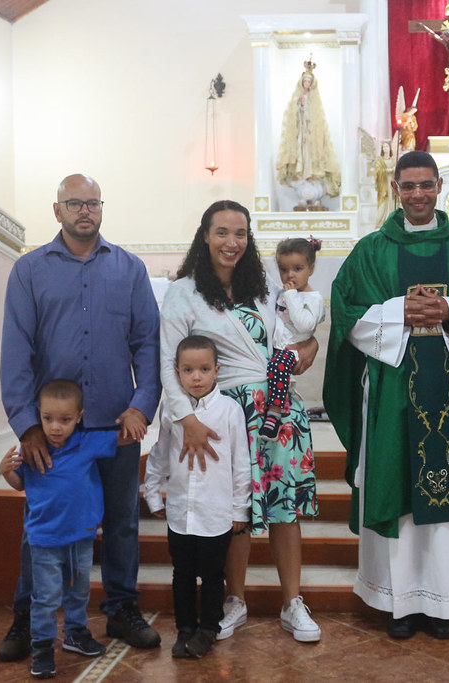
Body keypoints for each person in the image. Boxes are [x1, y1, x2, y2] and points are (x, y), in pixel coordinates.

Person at [323, 150, 449, 640]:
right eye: (409, 186)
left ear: (440, 185)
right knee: (395, 486)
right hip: (392, 393)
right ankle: (399, 603)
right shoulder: (371, 250)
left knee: (448, 492)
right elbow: (346, 309)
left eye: (426, 185)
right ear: (395, 188)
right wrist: (396, 314)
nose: (418, 194)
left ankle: (447, 603)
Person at [0, 173, 162, 662]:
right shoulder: (29, 271)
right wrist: (28, 426)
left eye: (92, 203)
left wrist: (142, 404)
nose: (84, 211)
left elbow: (147, 344)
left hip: (116, 424)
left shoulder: (129, 269)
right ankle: (27, 618)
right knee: (41, 526)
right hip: (55, 431)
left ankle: (121, 609)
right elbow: (15, 352)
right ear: (57, 211)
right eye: (74, 203)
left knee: (122, 522)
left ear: (101, 209)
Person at [159, 200, 321, 643]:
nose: (232, 242)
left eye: (241, 233)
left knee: (285, 508)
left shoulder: (265, 286)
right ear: (205, 236)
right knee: (237, 511)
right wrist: (186, 419)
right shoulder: (184, 292)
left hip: (278, 409)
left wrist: (310, 349)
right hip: (222, 414)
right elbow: (166, 363)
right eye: (222, 232)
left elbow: (295, 336)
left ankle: (292, 602)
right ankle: (235, 600)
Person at [0, 380, 117, 679]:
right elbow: (20, 484)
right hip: (45, 539)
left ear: (79, 416)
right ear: (39, 415)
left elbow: (123, 438)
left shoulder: (87, 443)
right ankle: (41, 647)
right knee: (47, 596)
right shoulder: (32, 450)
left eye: (65, 420)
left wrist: (136, 417)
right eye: (48, 418)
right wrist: (6, 472)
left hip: (81, 536)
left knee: (78, 592)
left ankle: (76, 634)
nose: (55, 427)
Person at [144, 335, 251, 659]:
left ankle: (209, 628)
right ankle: (185, 629)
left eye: (204, 369)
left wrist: (239, 509)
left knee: (213, 574)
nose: (196, 377)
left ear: (217, 370)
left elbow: (241, 464)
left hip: (215, 514)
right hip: (180, 512)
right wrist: (152, 493)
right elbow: (160, 453)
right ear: (176, 372)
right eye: (188, 370)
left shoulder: (229, 411)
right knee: (182, 574)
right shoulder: (171, 410)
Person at [260, 237, 326, 440]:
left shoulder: (314, 299)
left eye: (297, 269)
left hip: (294, 350)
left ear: (311, 268)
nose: (289, 275)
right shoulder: (282, 292)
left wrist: (291, 297)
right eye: (283, 269)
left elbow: (305, 325)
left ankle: (274, 415)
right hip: (277, 348)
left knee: (278, 366)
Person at [276, 58, 341, 207]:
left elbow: (318, 119)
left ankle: (311, 176)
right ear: (302, 82)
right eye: (305, 81)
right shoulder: (296, 98)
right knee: (301, 153)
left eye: (309, 81)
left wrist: (308, 111)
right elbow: (292, 118)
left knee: (312, 154)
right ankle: (302, 174)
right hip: (301, 133)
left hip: (312, 135)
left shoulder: (315, 100)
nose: (307, 84)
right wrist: (300, 108)